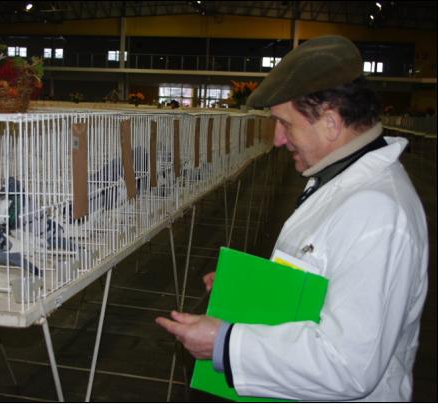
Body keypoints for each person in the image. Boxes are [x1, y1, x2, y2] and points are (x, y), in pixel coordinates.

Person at [155, 35, 428, 402]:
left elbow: (348, 366)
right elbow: (327, 281)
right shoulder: (341, 181)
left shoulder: (377, 212)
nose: (278, 139)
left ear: (330, 123)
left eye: (285, 124)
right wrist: (253, 290)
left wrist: (225, 343)